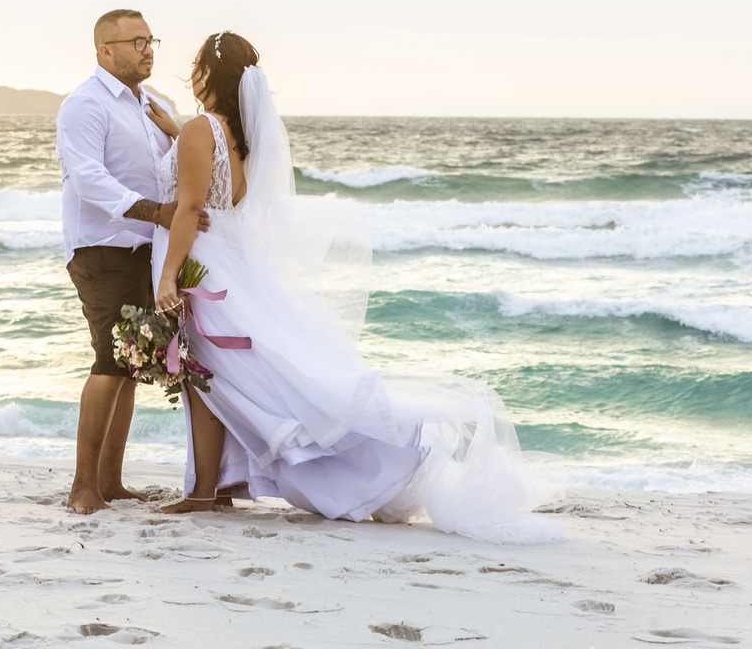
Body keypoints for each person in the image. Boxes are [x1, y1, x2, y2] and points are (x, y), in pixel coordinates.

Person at [150, 31, 560, 543]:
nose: (190, 74)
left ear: (209, 73)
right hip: (231, 266)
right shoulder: (240, 137)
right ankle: (214, 487)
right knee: (225, 379)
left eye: (195, 65)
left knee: (209, 379)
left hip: (204, 268)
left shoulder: (200, 130)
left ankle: (204, 492)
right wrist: (177, 133)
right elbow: (211, 184)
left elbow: (191, 208)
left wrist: (167, 276)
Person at [56, 9, 205, 515]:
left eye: (150, 40)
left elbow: (173, 170)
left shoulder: (152, 105)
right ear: (105, 50)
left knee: (129, 365)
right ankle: (82, 487)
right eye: (136, 41)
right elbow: (89, 180)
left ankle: (110, 482)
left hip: (148, 249)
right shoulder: (85, 104)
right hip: (103, 247)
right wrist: (156, 212)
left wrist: (178, 136)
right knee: (109, 360)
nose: (148, 50)